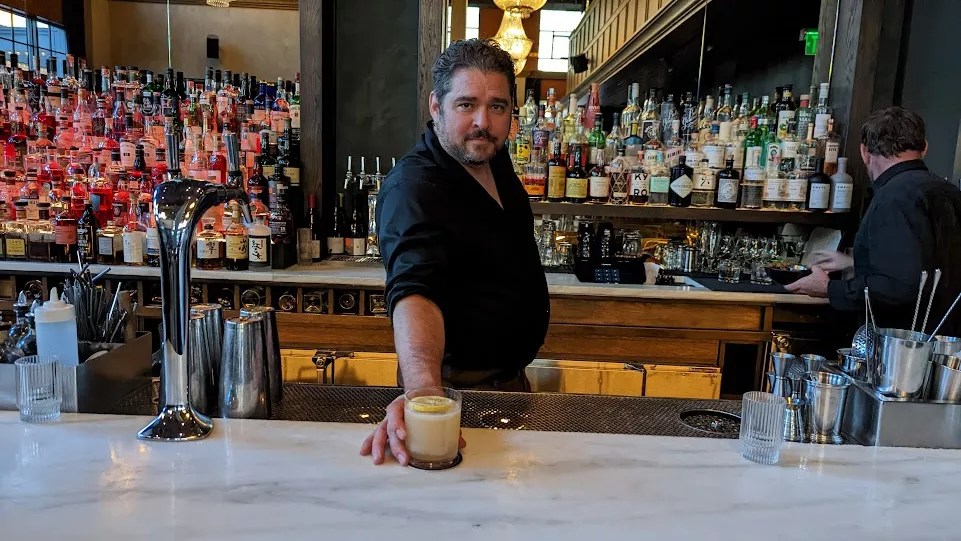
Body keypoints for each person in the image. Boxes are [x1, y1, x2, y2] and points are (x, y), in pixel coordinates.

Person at [360, 39, 550, 465]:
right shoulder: (415, 187)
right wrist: (425, 394)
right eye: (466, 105)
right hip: (456, 395)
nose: (483, 121)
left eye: (497, 106)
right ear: (436, 106)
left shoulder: (490, 159)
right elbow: (415, 289)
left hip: (509, 387)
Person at [786, 107, 961, 336]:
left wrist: (830, 288)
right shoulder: (950, 192)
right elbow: (929, 264)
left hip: (905, 346)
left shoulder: (893, 198)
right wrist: (856, 263)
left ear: (864, 152)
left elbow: (898, 287)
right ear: (925, 148)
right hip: (950, 345)